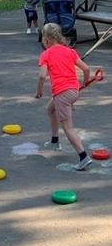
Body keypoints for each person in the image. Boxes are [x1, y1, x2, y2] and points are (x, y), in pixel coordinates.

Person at [35, 23, 92, 171]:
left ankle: (83, 157)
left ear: (46, 40)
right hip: (73, 91)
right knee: (50, 109)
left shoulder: (46, 54)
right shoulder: (69, 51)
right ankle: (55, 140)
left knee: (68, 127)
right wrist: (85, 82)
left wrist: (39, 91)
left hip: (62, 94)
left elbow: (42, 76)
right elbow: (86, 68)